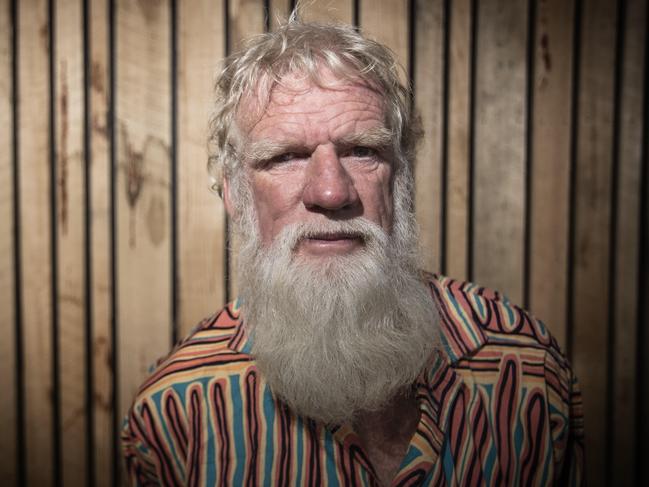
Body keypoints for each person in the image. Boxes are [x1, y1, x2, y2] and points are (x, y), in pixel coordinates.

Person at [121, 17, 584, 486]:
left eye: (362, 150)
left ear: (400, 181)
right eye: (285, 156)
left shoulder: (529, 372)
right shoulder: (175, 417)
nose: (331, 191)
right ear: (235, 195)